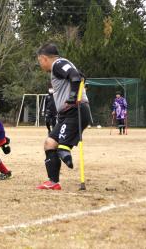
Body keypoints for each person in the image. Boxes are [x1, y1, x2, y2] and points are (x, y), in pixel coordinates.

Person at [35, 43, 91, 190]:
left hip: (75, 111)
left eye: (39, 61)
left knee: (62, 147)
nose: (40, 65)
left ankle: (66, 154)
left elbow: (76, 76)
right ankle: (53, 182)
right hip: (67, 114)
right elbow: (78, 76)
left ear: (44, 58)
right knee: (49, 144)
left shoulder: (58, 64)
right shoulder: (61, 65)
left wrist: (72, 97)